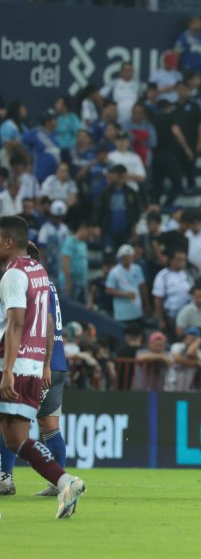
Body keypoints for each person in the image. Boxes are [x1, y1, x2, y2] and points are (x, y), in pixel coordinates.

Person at [0, 216, 86, 518]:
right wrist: (42, 362)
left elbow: (16, 323)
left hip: (14, 364)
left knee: (16, 436)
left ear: (8, 242)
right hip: (34, 365)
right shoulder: (38, 271)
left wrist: (8, 370)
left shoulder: (12, 275)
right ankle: (66, 482)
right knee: (16, 438)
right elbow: (47, 321)